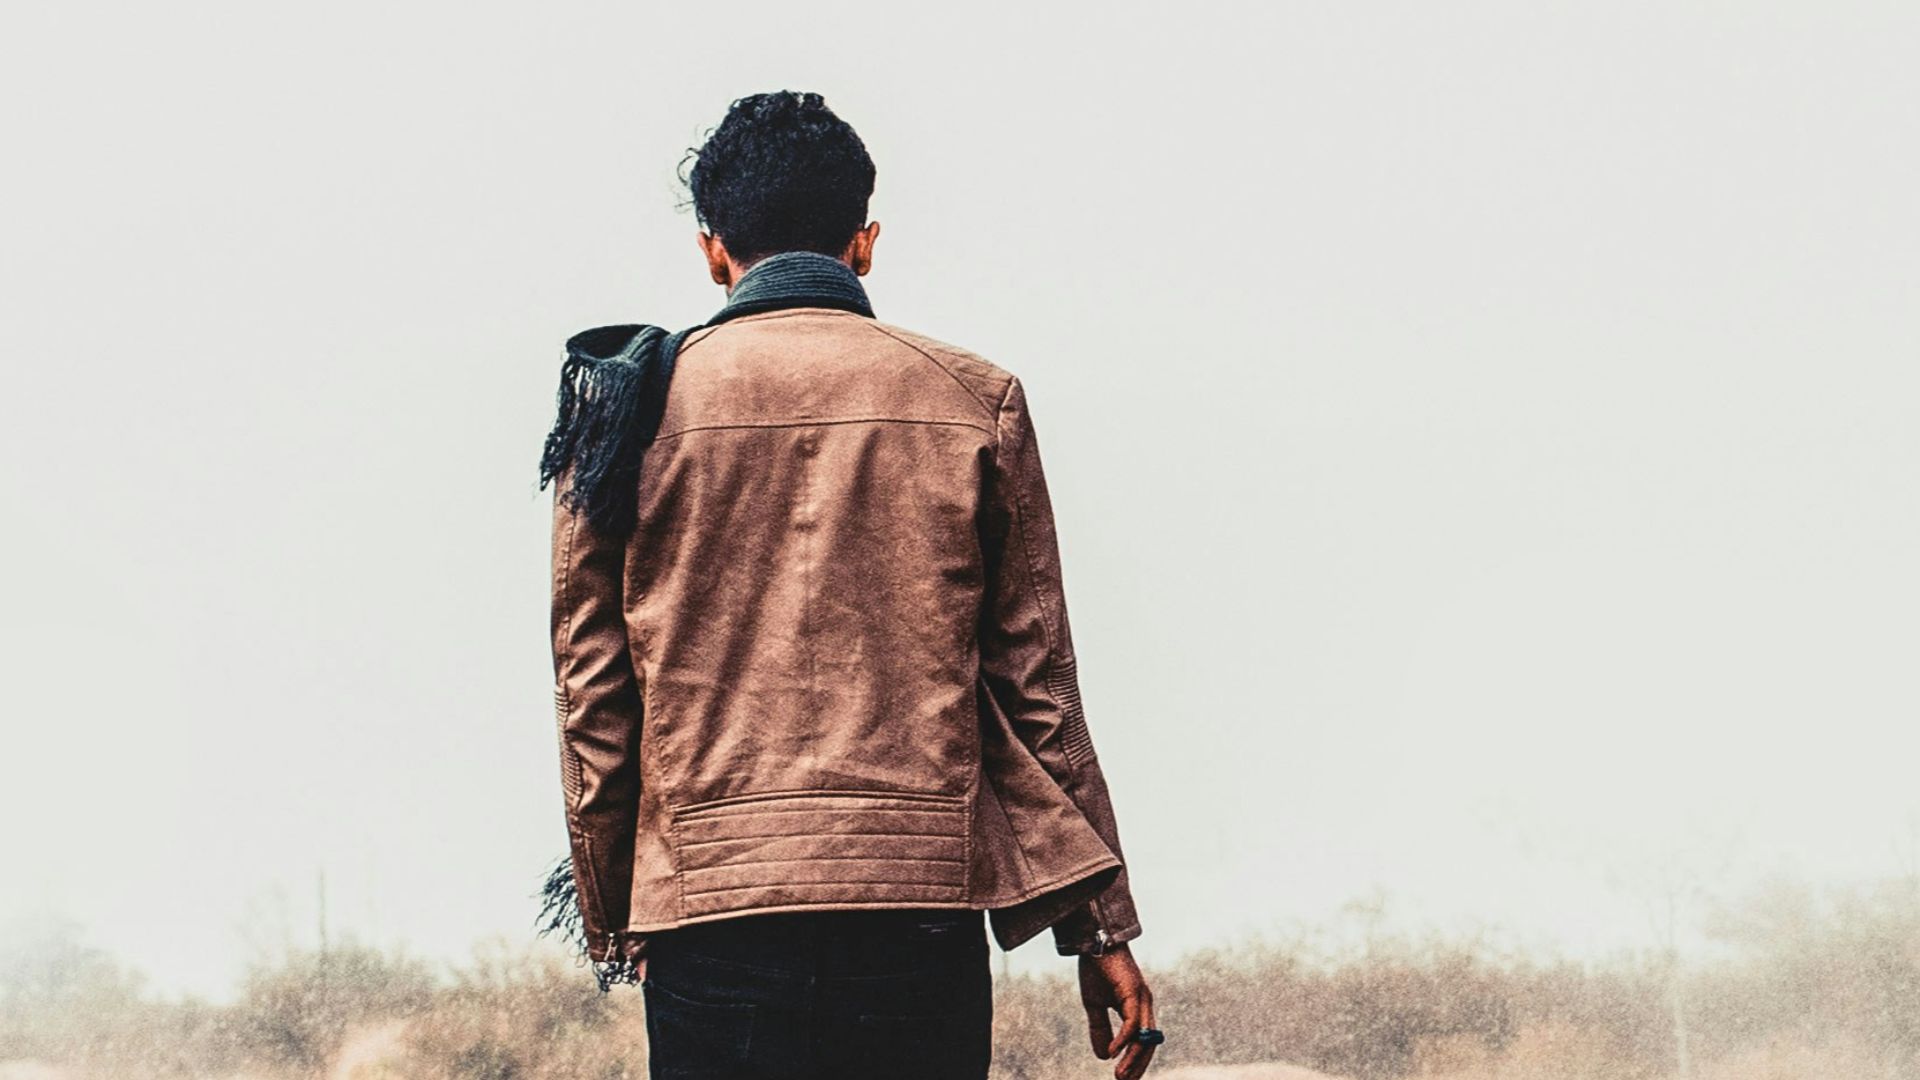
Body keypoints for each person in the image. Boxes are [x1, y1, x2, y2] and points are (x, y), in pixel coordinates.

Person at [540, 89, 1158, 1080]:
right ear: (863, 243)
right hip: (916, 914)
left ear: (713, 251)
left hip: (711, 911)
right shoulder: (974, 402)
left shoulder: (624, 417)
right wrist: (1101, 931)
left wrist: (620, 913)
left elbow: (594, 703)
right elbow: (1040, 698)